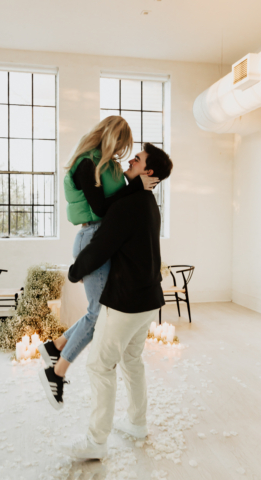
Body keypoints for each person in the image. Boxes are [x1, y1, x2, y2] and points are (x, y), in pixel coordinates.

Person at [59, 143, 174, 459]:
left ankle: (95, 443)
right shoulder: (148, 202)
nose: (131, 159)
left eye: (137, 159)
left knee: (99, 365)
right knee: (132, 361)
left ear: (147, 172)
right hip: (150, 299)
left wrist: (74, 271)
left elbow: (100, 248)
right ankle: (137, 423)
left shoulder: (129, 205)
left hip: (126, 303)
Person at [38, 117, 159, 409]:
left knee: (97, 312)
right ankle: (55, 372)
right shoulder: (85, 164)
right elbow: (102, 207)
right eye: (120, 144)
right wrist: (136, 186)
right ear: (109, 137)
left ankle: (55, 347)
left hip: (100, 236)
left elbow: (116, 204)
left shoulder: (109, 166)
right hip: (92, 237)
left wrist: (133, 184)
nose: (121, 151)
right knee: (97, 314)